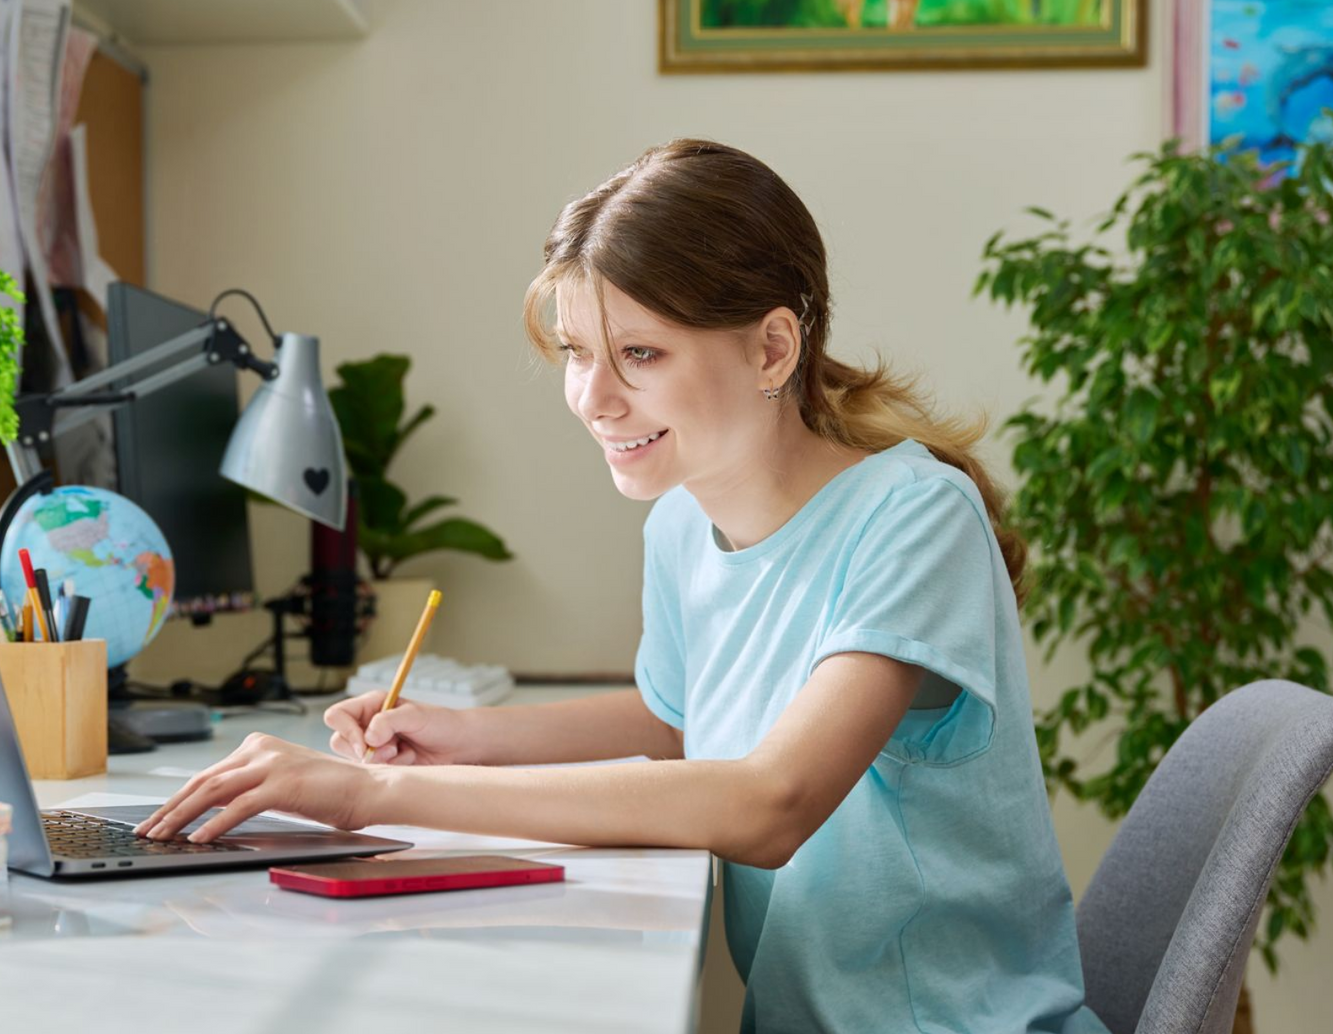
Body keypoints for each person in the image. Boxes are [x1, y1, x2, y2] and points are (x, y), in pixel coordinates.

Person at [136, 139, 1108, 1033]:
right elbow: (685, 720)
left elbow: (772, 801)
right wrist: (470, 739)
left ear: (772, 349)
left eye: (639, 355)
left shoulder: (915, 515)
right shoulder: (685, 522)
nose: (595, 400)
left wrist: (383, 791)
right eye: (577, 354)